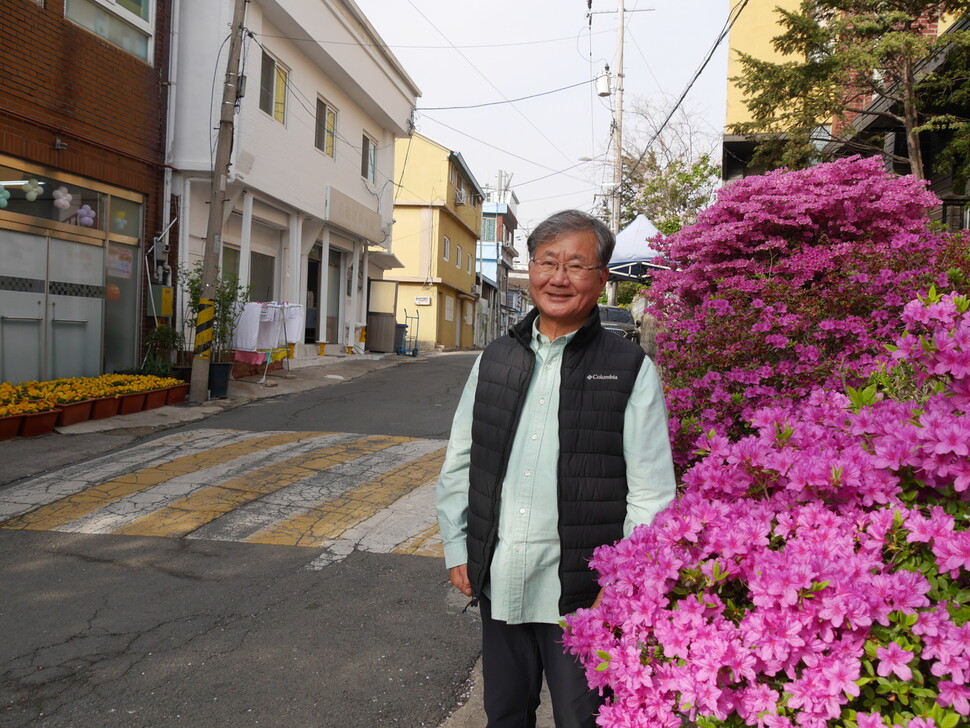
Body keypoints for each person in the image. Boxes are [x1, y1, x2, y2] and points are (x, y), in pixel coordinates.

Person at [436, 209, 677, 728]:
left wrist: (624, 579)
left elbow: (653, 493)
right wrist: (459, 547)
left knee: (582, 718)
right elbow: (461, 459)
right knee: (503, 712)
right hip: (501, 577)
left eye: (576, 265)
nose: (558, 278)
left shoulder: (630, 368)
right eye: (547, 262)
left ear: (601, 277)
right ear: (531, 270)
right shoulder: (495, 358)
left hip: (586, 592)